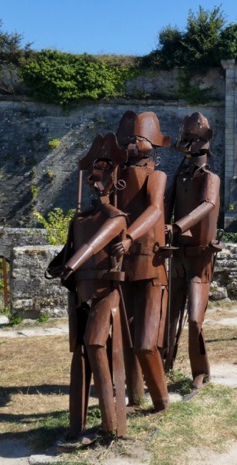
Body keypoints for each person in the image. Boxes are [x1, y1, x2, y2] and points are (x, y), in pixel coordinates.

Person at [49, 133, 130, 440]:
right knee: (80, 351)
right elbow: (68, 252)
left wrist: (74, 262)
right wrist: (60, 265)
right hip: (80, 295)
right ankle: (76, 426)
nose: (97, 180)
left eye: (104, 173)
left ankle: (111, 425)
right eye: (94, 173)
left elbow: (97, 243)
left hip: (105, 294)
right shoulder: (79, 220)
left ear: (114, 180)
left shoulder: (117, 218)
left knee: (96, 343)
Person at [111, 111, 170, 413]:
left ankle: (161, 401)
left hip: (150, 262)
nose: (133, 144)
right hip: (123, 265)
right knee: (124, 340)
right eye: (129, 139)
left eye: (139, 138)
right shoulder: (117, 179)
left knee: (146, 343)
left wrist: (131, 236)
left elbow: (155, 210)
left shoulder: (156, 176)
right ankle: (134, 396)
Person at [163, 112, 223, 389]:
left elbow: (208, 205)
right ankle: (164, 362)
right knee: (169, 314)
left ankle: (200, 371)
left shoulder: (210, 178)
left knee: (195, 319)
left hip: (199, 257)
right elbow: (165, 204)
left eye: (191, 139)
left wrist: (178, 225)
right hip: (178, 255)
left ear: (203, 142)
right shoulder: (180, 176)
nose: (186, 144)